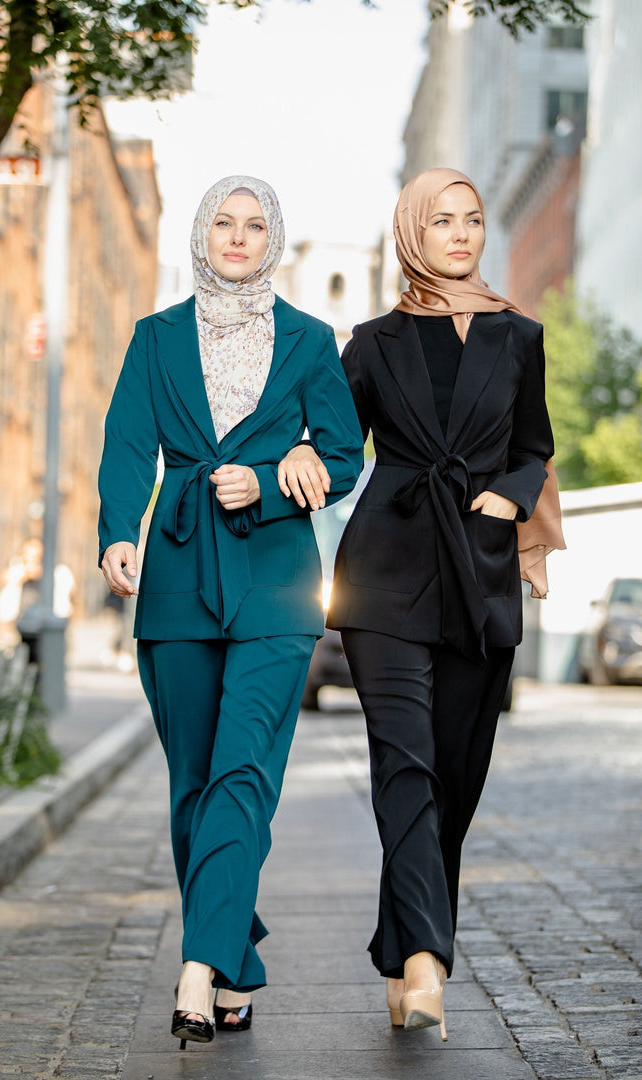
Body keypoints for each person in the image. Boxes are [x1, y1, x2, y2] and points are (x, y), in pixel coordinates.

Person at [97, 175, 362, 1049]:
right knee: (194, 785)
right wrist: (116, 533)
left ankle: (198, 970)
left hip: (278, 581)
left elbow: (344, 453)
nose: (239, 236)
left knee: (245, 771)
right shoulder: (155, 338)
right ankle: (236, 959)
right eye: (225, 221)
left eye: (256, 225)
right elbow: (130, 442)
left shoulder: (313, 341)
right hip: (175, 570)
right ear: (203, 233)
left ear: (273, 237)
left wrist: (285, 482)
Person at [324, 168, 564, 1040]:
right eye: (443, 221)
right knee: (407, 762)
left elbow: (534, 446)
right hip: (384, 569)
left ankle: (401, 948)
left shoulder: (520, 335)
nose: (460, 235)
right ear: (412, 231)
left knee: (454, 779)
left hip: (481, 572)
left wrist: (510, 495)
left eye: (473, 220)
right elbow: (331, 444)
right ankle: (428, 959)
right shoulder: (373, 342)